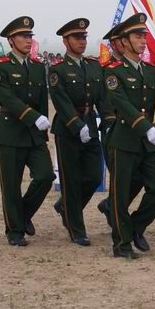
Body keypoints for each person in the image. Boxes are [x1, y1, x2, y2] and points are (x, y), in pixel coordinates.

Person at [104, 13, 155, 260]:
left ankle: (135, 227)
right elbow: (121, 103)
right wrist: (146, 127)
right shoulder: (114, 72)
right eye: (137, 36)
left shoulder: (150, 71)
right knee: (120, 194)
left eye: (144, 36)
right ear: (123, 41)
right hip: (125, 139)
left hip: (147, 140)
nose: (143, 40)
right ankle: (121, 244)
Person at [48, 18, 114, 247]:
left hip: (91, 124)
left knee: (95, 176)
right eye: (77, 38)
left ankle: (65, 206)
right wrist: (77, 126)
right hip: (68, 129)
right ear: (66, 41)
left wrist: (108, 121)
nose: (82, 42)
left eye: (84, 37)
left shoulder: (94, 66)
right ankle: (76, 228)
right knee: (72, 180)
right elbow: (61, 102)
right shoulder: (58, 70)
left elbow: (103, 98)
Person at [0, 16, 53, 247]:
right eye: (23, 36)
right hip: (9, 131)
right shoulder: (1, 65)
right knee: (11, 183)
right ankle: (15, 230)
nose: (28, 40)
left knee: (45, 176)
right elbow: (7, 97)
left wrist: (42, 128)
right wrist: (33, 118)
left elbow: (41, 100)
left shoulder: (37, 67)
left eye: (30, 36)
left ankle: (23, 214)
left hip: (33, 134)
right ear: (11, 40)